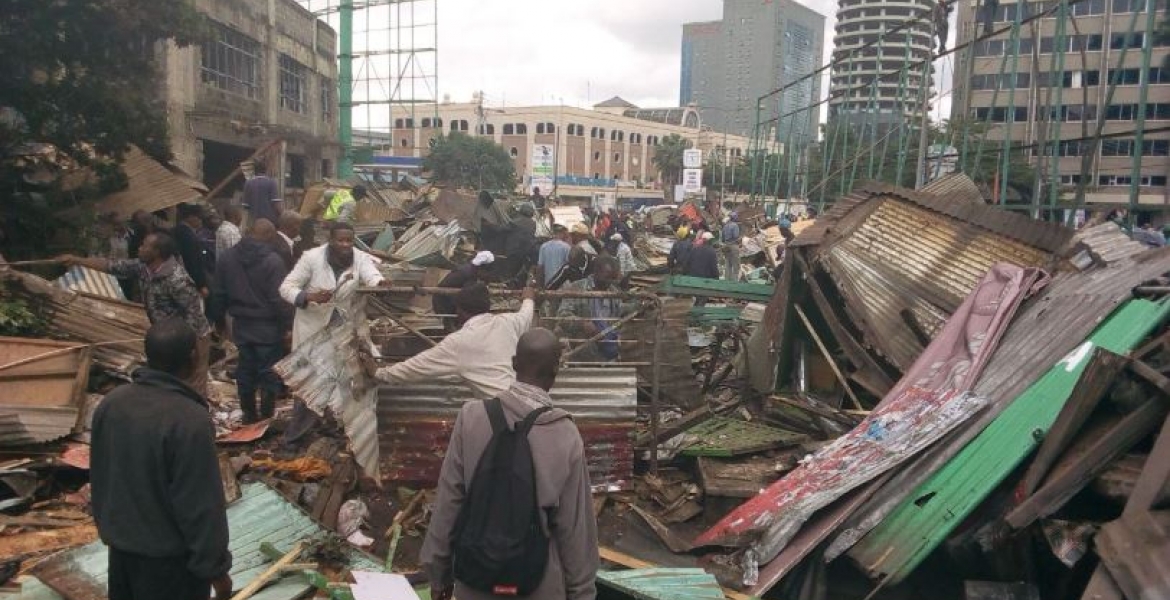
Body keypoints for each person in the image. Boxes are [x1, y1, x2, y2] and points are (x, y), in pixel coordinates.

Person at [420, 328, 598, 600]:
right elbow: (574, 526)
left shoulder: (471, 417)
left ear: (514, 363)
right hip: (538, 585)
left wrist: (438, 575)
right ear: (555, 371)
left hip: (474, 581)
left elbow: (449, 502)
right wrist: (581, 592)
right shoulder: (565, 434)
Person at [91, 318, 232, 600]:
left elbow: (100, 476)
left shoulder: (112, 403)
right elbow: (200, 505)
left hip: (121, 555)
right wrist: (216, 571)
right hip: (171, 569)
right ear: (193, 356)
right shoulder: (189, 420)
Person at [57, 233, 213, 397]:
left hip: (191, 338)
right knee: (167, 381)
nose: (139, 248)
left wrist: (195, 350)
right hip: (165, 337)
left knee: (192, 385)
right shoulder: (143, 268)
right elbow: (111, 266)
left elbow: (194, 316)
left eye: (144, 245)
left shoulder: (177, 280)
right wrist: (77, 260)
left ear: (157, 252)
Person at [371, 283, 536, 399]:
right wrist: (529, 298)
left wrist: (380, 373)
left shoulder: (459, 341)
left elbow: (417, 366)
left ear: (459, 311)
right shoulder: (508, 322)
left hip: (503, 410)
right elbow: (526, 315)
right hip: (526, 399)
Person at [210, 219, 293, 424]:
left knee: (245, 368)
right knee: (269, 370)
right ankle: (266, 416)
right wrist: (287, 326)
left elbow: (218, 292)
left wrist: (217, 321)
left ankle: (249, 414)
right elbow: (278, 298)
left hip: (241, 323)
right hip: (268, 325)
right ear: (270, 235)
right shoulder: (273, 261)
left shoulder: (227, 258)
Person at [557, 257, 631, 363]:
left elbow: (620, 312)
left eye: (612, 278)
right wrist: (582, 324)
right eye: (607, 277)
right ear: (596, 272)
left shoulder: (613, 292)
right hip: (582, 345)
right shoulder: (576, 288)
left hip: (608, 345)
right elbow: (562, 316)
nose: (609, 282)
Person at [434, 251, 494, 331]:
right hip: (446, 301)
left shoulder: (474, 272)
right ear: (483, 267)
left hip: (455, 302)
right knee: (453, 328)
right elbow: (443, 289)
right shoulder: (465, 272)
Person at [505, 204, 538, 285]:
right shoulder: (533, 223)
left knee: (511, 272)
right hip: (527, 252)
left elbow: (504, 230)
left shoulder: (514, 222)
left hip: (513, 251)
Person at [687, 232, 720, 307]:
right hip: (704, 280)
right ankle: (697, 315)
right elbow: (713, 267)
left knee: (697, 297)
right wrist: (716, 278)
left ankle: (695, 312)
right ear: (710, 241)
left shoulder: (695, 249)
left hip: (693, 277)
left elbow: (688, 263)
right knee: (702, 298)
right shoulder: (712, 252)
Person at [721, 212, 742, 282]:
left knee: (728, 264)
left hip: (726, 246)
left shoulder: (725, 226)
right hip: (733, 246)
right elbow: (736, 236)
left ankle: (727, 280)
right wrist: (739, 239)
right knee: (736, 265)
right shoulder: (735, 225)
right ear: (735, 218)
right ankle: (735, 281)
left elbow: (722, 239)